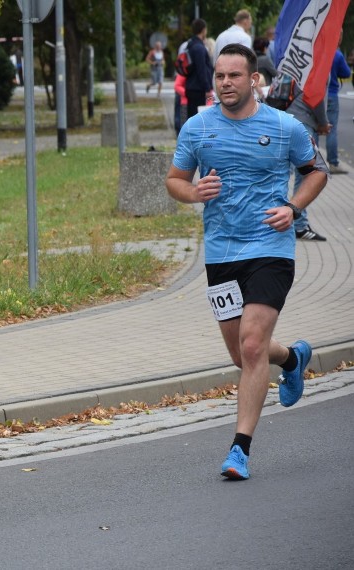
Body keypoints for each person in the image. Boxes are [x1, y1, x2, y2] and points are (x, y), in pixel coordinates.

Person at [165, 44, 327, 481]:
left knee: (253, 346)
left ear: (254, 79)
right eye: (220, 76)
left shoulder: (284, 126)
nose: (225, 83)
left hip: (271, 248)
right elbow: (175, 181)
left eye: (235, 76)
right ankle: (292, 359)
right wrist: (193, 192)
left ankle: (239, 450)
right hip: (220, 252)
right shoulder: (198, 128)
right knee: (243, 355)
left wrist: (292, 209)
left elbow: (317, 171)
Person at [285, 81, 333, 241]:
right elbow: (316, 98)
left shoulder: (301, 59)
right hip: (303, 121)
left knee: (283, 170)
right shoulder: (319, 65)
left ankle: (287, 219)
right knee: (307, 174)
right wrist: (323, 123)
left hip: (286, 117)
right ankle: (299, 225)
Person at [324, 37, 351, 175]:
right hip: (332, 94)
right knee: (331, 130)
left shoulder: (319, 51)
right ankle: (333, 163)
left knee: (313, 129)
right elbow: (346, 73)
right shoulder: (337, 54)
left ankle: (310, 162)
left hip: (317, 94)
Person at [185, 18, 214, 118]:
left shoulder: (190, 45)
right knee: (198, 118)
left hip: (191, 86)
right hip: (198, 89)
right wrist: (207, 89)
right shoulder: (199, 48)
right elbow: (201, 70)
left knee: (192, 117)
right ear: (203, 30)